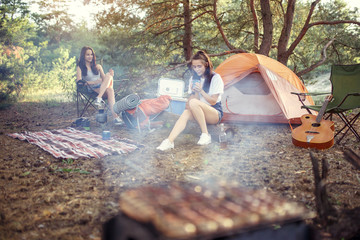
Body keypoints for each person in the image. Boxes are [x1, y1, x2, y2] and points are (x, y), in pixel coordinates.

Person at [156, 50, 224, 151]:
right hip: (199, 113)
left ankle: (205, 134)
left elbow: (213, 101)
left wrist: (201, 91)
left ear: (206, 64)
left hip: (214, 113)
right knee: (186, 112)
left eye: (199, 66)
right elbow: (192, 103)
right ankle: (169, 141)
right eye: (194, 66)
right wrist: (194, 92)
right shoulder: (193, 79)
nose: (197, 69)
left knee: (193, 103)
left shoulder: (215, 78)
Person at [76, 46, 122, 125]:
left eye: (91, 55)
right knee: (110, 90)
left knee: (108, 75)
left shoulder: (98, 66)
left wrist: (111, 76)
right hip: (92, 89)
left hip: (102, 87)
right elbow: (79, 82)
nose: (90, 56)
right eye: (88, 55)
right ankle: (116, 117)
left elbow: (105, 80)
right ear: (83, 55)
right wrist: (94, 82)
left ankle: (99, 98)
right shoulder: (80, 67)